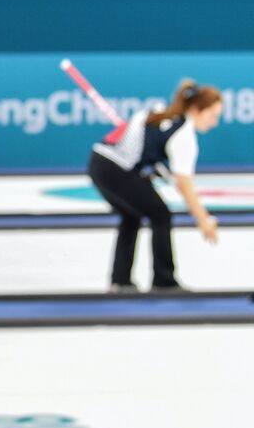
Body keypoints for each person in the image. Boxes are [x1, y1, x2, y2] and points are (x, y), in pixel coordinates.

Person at [87, 80, 224, 293]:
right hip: (116, 168)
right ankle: (164, 281)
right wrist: (203, 219)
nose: (214, 123)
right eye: (213, 116)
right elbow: (184, 185)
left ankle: (120, 281)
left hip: (99, 162)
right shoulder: (184, 134)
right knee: (161, 215)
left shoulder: (162, 114)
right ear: (197, 109)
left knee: (132, 216)